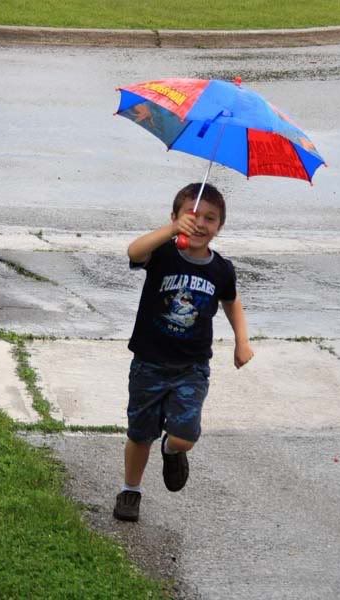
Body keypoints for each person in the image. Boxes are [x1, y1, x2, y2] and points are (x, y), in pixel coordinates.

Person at [113, 182, 254, 522]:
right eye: (192, 215)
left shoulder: (221, 269)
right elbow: (134, 251)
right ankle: (131, 490)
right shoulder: (162, 253)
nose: (200, 223)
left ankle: (172, 449)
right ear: (175, 217)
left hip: (192, 367)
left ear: (220, 226)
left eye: (210, 218)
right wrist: (171, 230)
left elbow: (232, 302)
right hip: (148, 362)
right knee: (140, 434)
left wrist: (242, 340)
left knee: (185, 435)